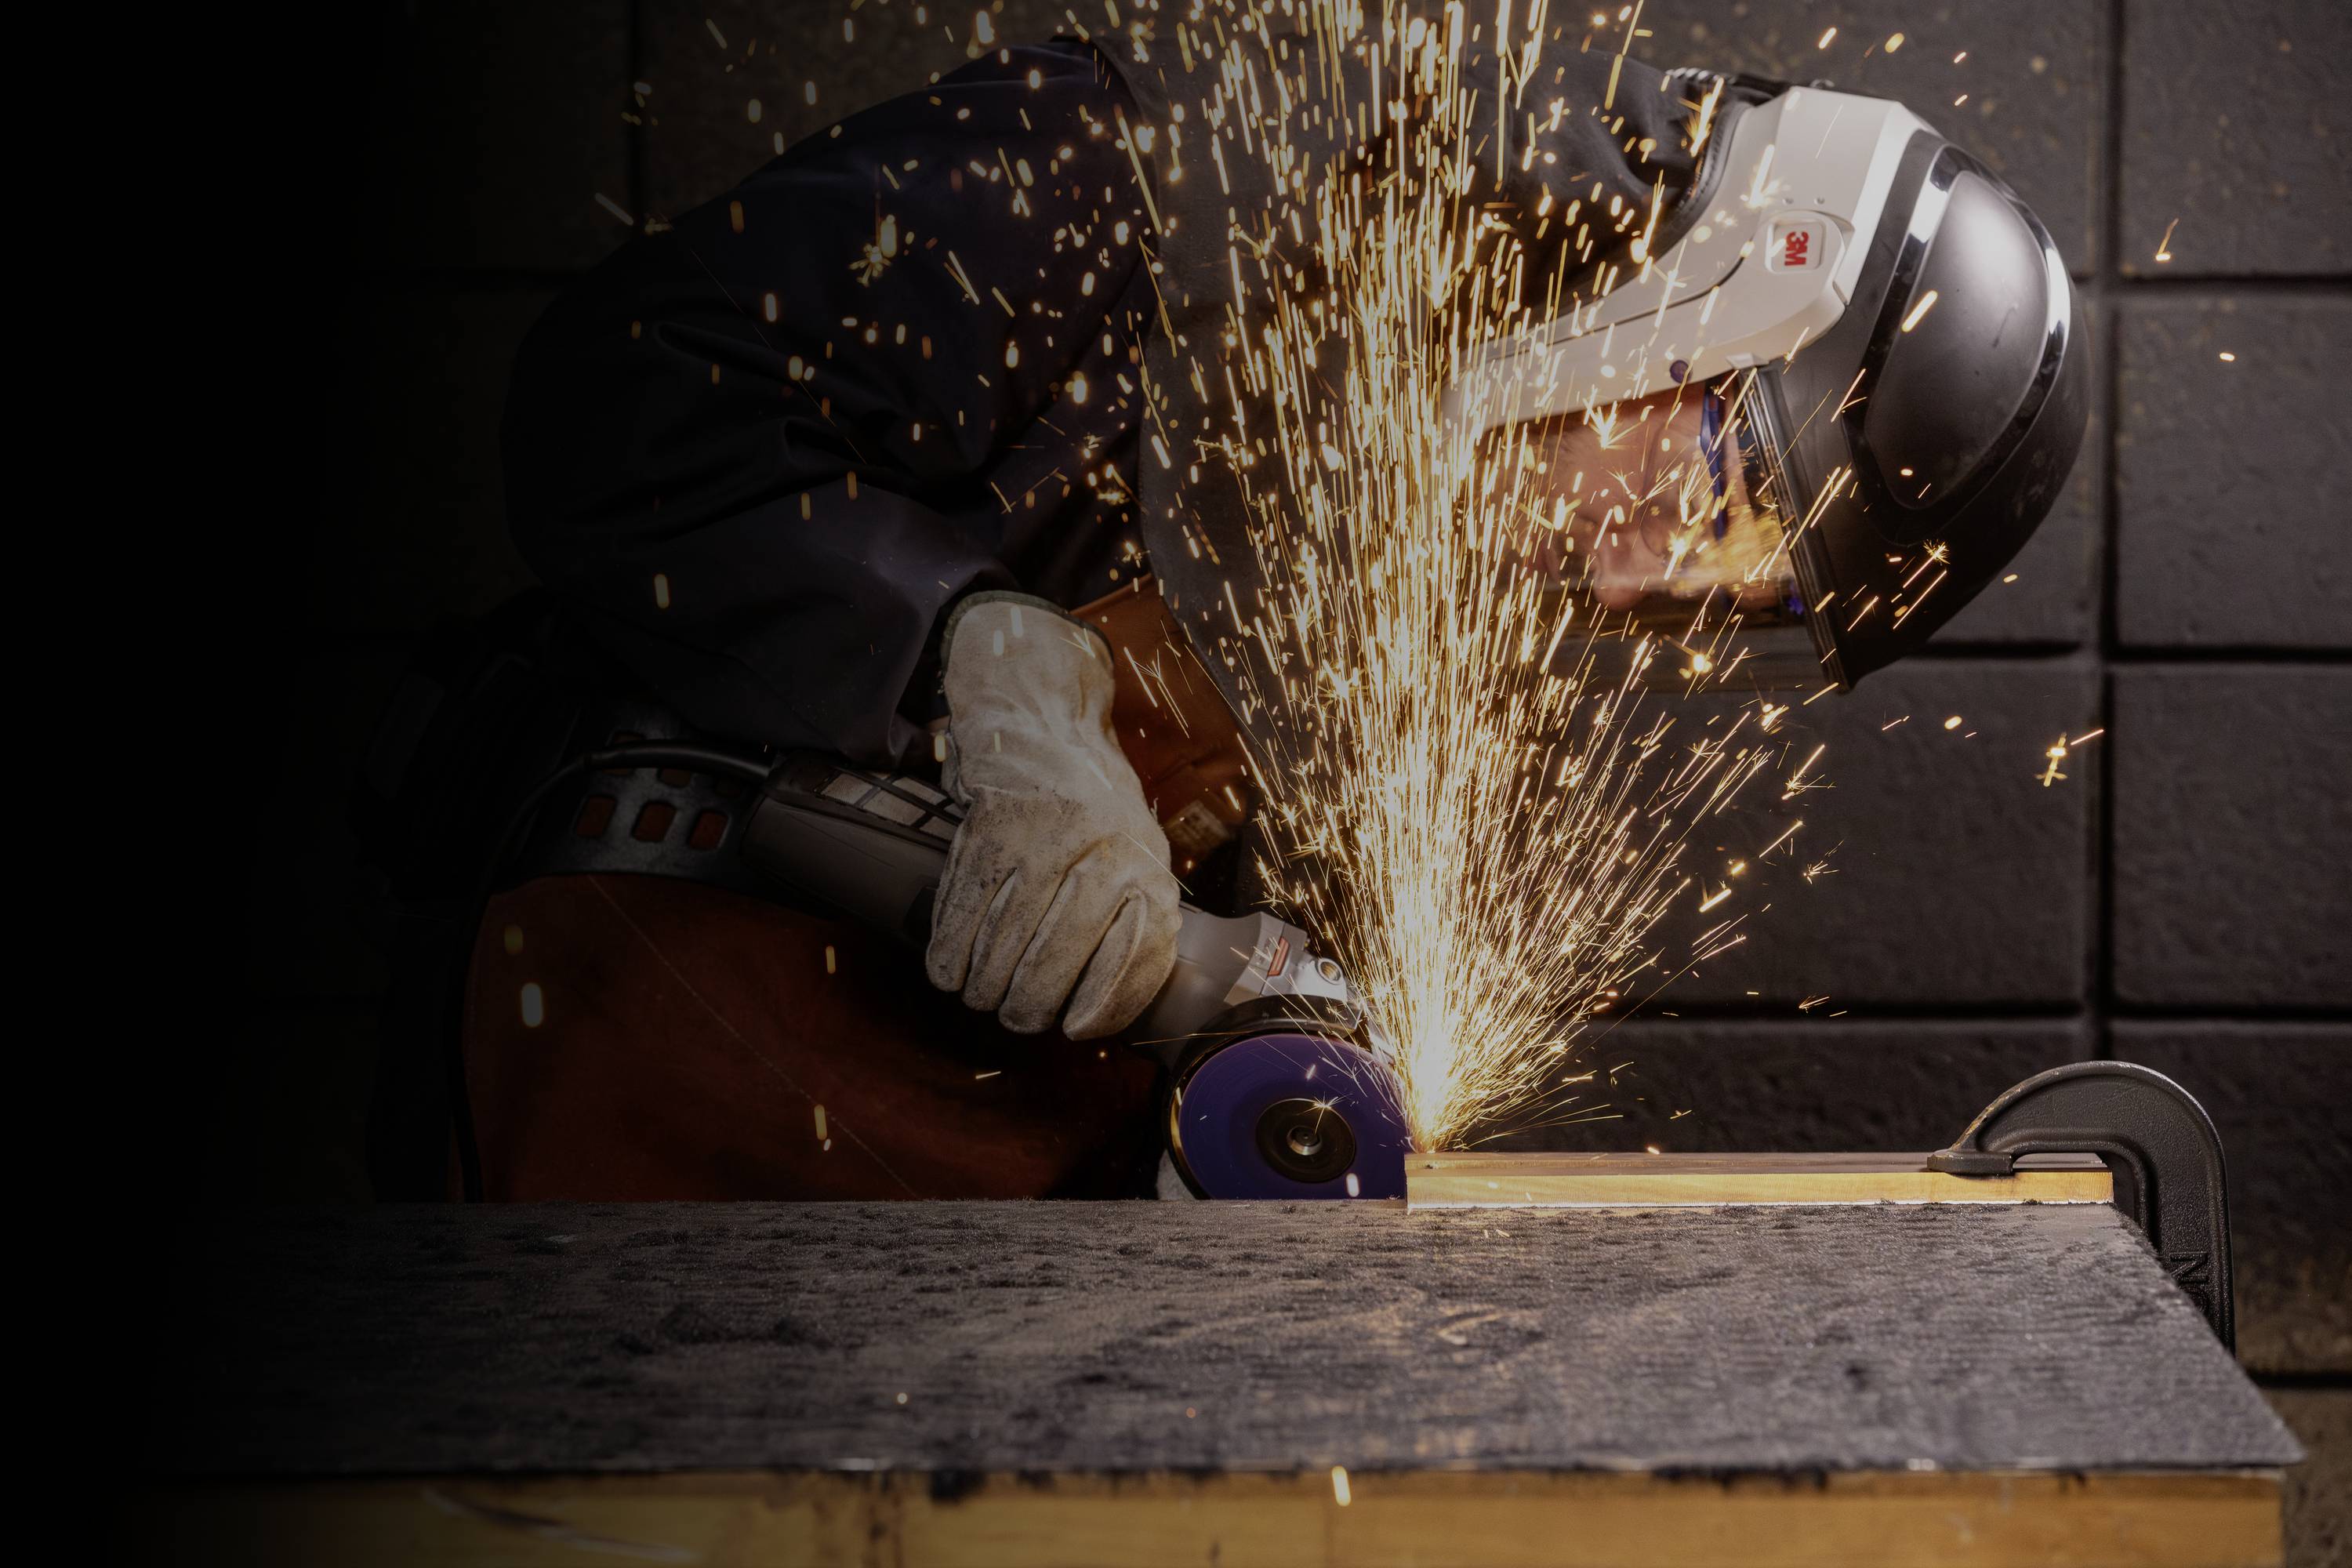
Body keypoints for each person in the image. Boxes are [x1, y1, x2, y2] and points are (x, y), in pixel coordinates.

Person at [368, 18, 2074, 1200]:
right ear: (1715, 285)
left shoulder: (1446, 620)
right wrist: (969, 649)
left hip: (935, 1255)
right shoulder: (1152, 186)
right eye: (1705, 489)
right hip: (628, 1063)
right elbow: (616, 396)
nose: (1637, 569)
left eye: (1718, 584)